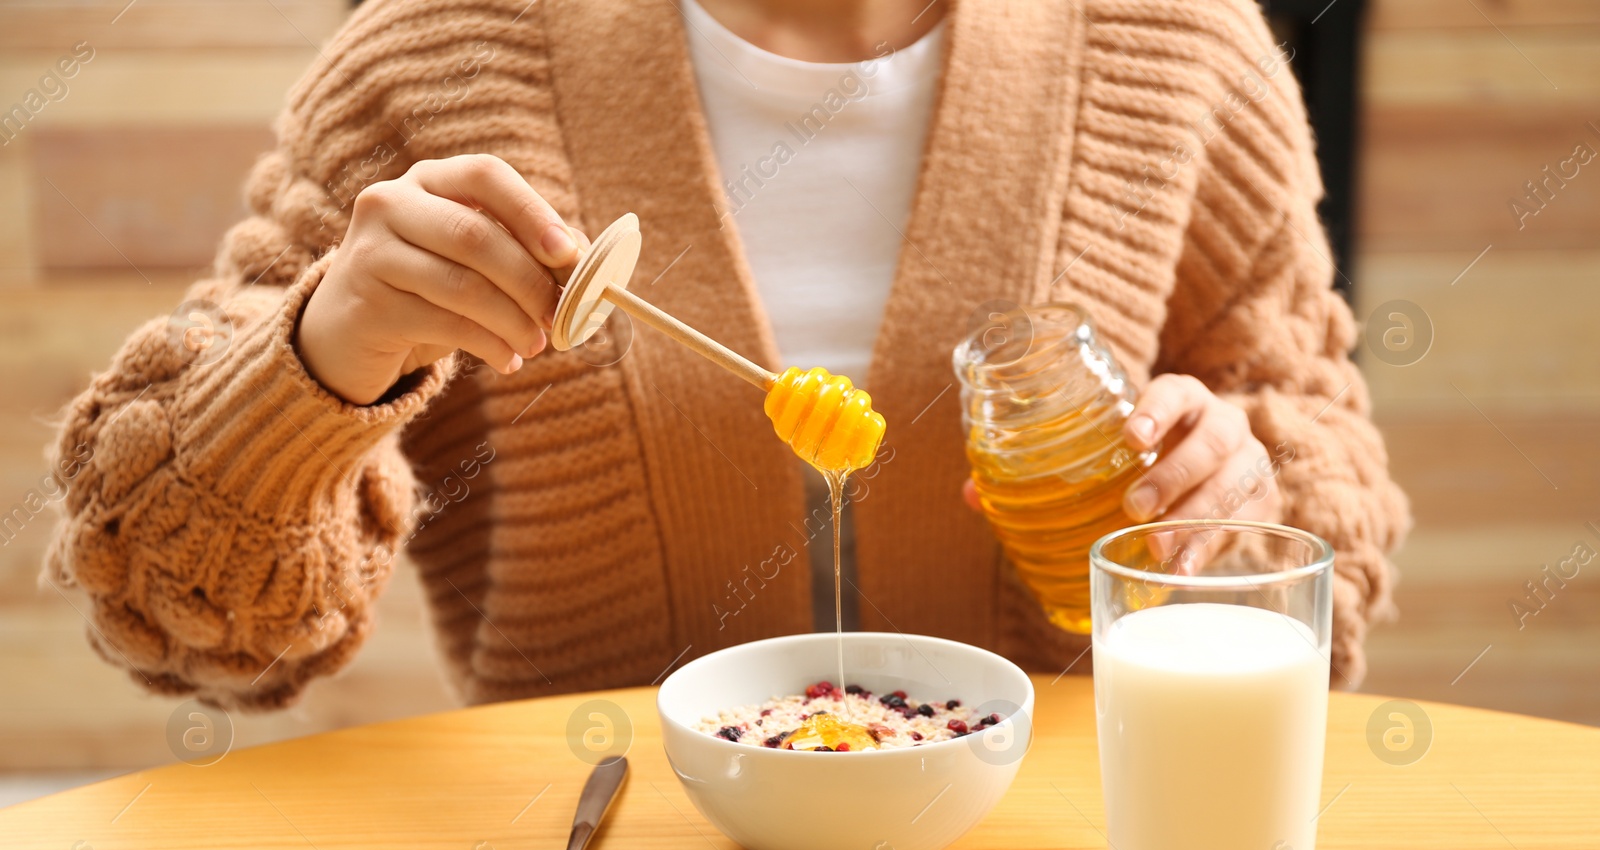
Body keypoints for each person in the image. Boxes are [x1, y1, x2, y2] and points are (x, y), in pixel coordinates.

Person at [44, 0, 1408, 710]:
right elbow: (174, 611)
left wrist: (1247, 499)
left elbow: (1319, 487)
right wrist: (318, 354)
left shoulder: (1180, 49)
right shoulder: (439, 58)